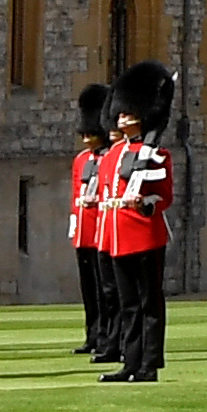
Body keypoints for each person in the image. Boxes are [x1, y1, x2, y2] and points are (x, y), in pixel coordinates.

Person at [97, 61, 178, 380]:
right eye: (121, 112)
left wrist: (145, 203)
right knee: (128, 303)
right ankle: (131, 362)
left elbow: (164, 196)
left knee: (149, 303)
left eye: (129, 112)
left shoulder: (157, 154)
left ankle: (150, 363)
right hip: (117, 235)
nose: (122, 117)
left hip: (144, 233)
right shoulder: (112, 156)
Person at [68, 83, 126, 364]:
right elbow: (75, 196)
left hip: (103, 228)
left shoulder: (109, 158)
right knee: (89, 290)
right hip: (84, 230)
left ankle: (107, 337)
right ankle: (92, 335)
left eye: (91, 134)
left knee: (106, 291)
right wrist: (74, 228)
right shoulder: (81, 160)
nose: (87, 139)